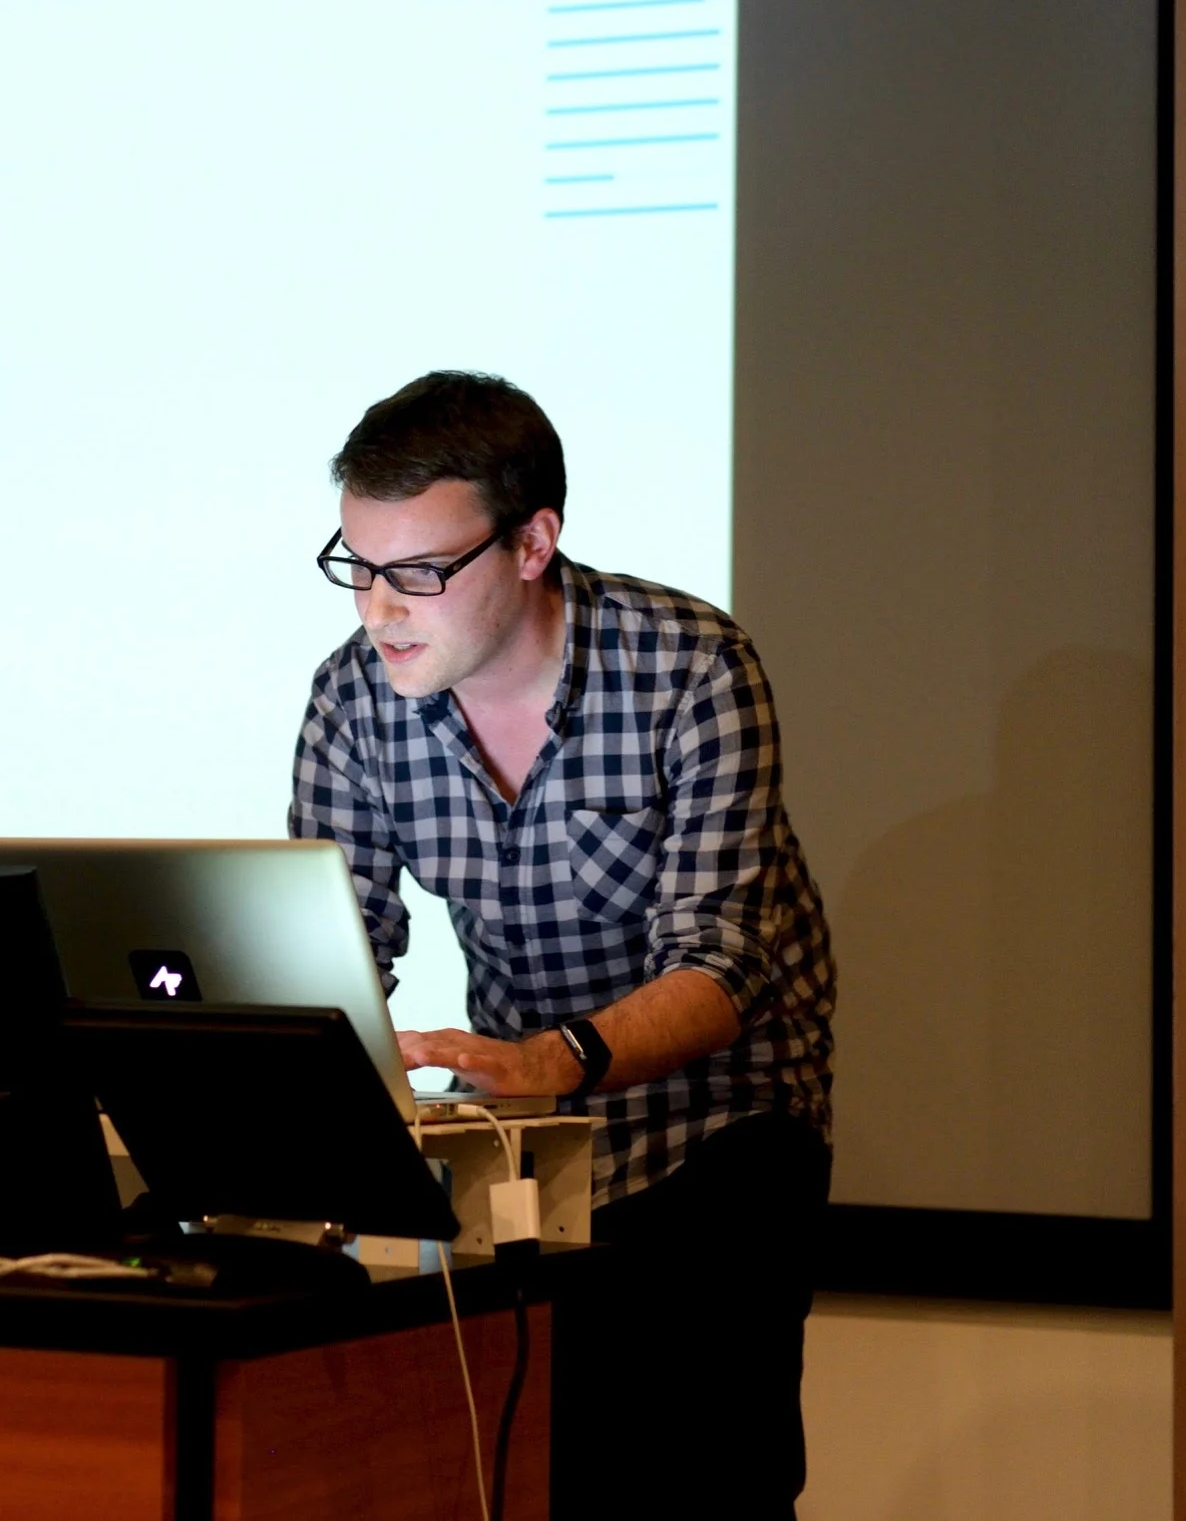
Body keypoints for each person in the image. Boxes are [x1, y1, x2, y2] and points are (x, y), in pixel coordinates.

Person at [290, 370, 835, 1518]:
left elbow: (722, 964)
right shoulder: (354, 699)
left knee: (704, 1470)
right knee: (546, 1463)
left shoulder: (689, 667)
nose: (380, 609)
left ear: (534, 540)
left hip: (721, 1114)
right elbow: (334, 951)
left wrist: (553, 1058)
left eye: (420, 573)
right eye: (359, 567)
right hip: (537, 1136)